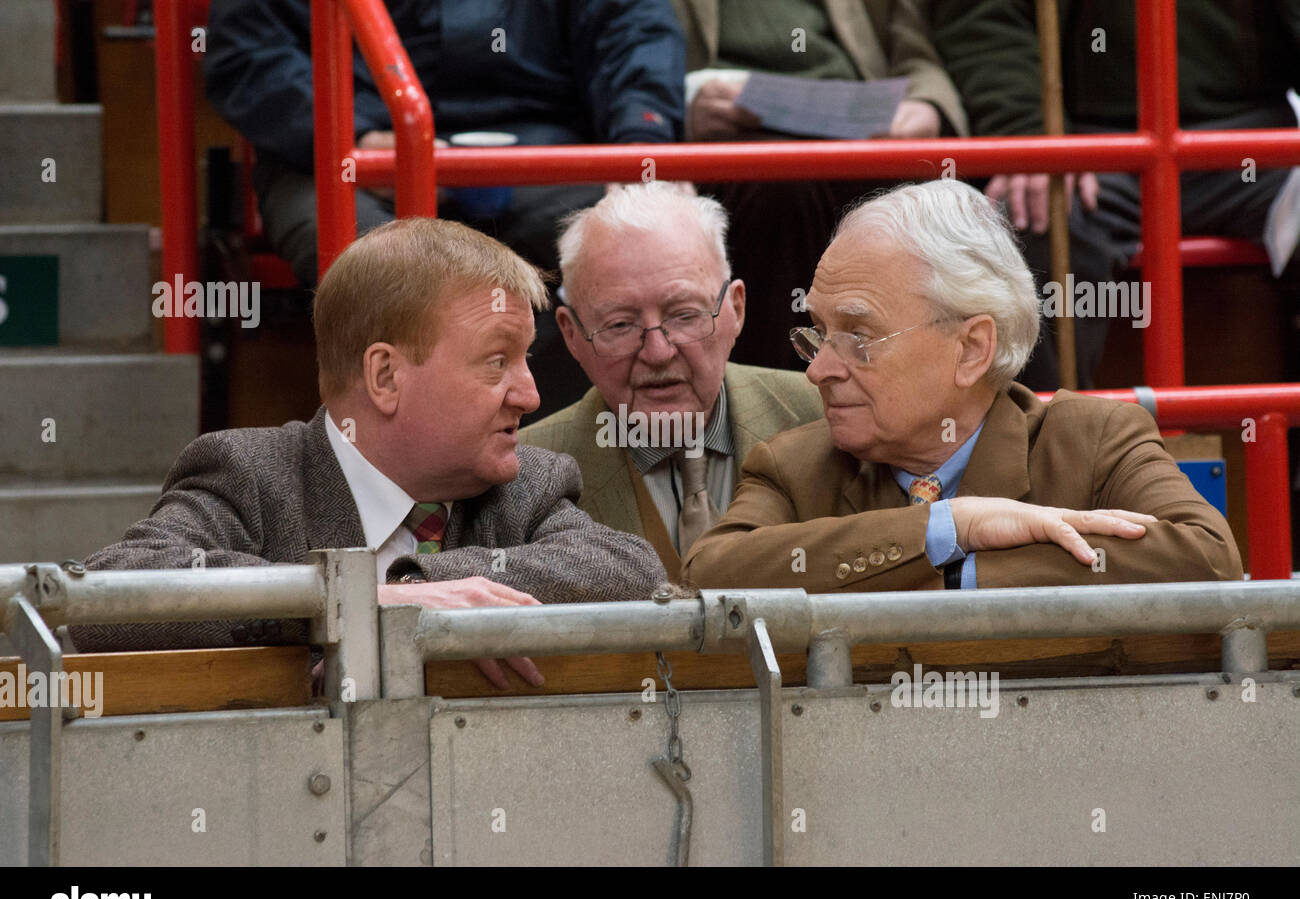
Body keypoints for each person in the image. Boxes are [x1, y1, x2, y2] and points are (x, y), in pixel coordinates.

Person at [73, 218, 667, 689]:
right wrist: (364, 601)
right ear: (385, 376)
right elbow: (112, 596)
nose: (530, 394)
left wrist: (424, 589)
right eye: (497, 361)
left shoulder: (526, 485)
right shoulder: (250, 474)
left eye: (525, 360)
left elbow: (631, 572)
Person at [683, 180, 1243, 591]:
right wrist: (949, 526)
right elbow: (711, 575)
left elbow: (1210, 561)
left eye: (858, 335)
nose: (818, 369)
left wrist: (954, 567)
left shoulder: (1092, 441)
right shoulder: (794, 466)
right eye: (820, 334)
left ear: (971, 348)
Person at [204, 0, 687, 418]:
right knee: (381, 268)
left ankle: (543, 471)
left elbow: (634, 31)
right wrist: (358, 134)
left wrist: (639, 144)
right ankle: (408, 489)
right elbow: (247, 52)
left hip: (542, 148)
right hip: (335, 149)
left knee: (628, 247)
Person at [931, 0, 1300, 389]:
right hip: (1085, 145)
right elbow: (989, 18)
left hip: (1253, 145)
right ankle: (1056, 440)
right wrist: (1032, 133)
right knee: (1034, 225)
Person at [520, 182, 824, 579]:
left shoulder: (824, 417)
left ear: (736, 309)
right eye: (620, 324)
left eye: (684, 315)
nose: (658, 352)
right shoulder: (525, 474)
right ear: (572, 335)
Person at [670, 0, 967, 370]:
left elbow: (913, 51)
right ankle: (788, 400)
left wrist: (927, 105)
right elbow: (628, 46)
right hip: (731, 133)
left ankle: (935, 399)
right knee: (780, 192)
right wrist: (678, 106)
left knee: (949, 204)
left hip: (860, 125)